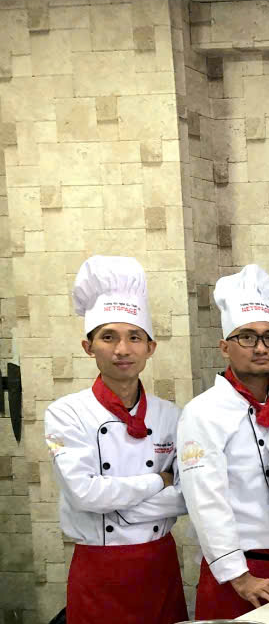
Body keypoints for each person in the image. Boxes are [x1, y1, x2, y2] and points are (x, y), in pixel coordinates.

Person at [44, 256, 188, 624]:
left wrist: (118, 504)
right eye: (108, 337)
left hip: (159, 564)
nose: (122, 349)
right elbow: (84, 495)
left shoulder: (171, 416)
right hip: (98, 569)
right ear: (88, 346)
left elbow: (187, 496)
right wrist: (159, 481)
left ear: (150, 347)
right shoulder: (66, 413)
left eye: (134, 337)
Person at [180, 265, 269, 618]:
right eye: (247, 337)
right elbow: (205, 500)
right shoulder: (203, 412)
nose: (260, 348)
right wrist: (240, 577)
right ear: (224, 348)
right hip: (238, 574)